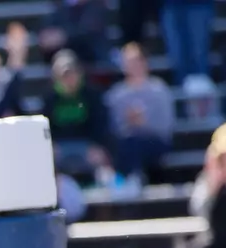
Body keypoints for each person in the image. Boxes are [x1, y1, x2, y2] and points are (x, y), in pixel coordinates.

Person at [104, 42, 175, 184]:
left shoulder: (160, 90)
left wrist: (144, 123)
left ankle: (129, 181)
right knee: (127, 143)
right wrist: (128, 122)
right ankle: (128, 181)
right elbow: (112, 128)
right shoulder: (115, 94)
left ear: (145, 62)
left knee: (135, 144)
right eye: (128, 62)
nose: (132, 66)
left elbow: (167, 127)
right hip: (126, 143)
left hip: (155, 142)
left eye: (136, 61)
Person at [46, 50, 110, 181]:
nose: (69, 79)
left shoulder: (92, 95)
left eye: (72, 73)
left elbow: (101, 124)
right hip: (60, 146)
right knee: (47, 158)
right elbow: (46, 128)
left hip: (87, 145)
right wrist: (51, 145)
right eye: (64, 75)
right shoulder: (50, 99)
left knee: (100, 158)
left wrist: (97, 145)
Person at [38, 0, 111, 65]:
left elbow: (88, 31)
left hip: (91, 61)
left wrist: (64, 36)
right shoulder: (58, 8)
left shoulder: (96, 5)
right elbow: (47, 37)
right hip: (63, 61)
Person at [162, 0, 215, 84]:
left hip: (198, 5)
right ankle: (183, 94)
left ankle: (201, 94)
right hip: (170, 5)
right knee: (177, 57)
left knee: (198, 55)